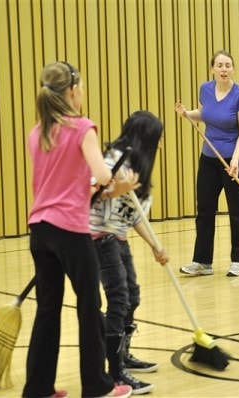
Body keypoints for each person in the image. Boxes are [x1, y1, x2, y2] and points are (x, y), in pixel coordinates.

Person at [24, 61, 132, 398]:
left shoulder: (37, 132)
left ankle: (38, 390)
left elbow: (58, 183)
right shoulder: (83, 128)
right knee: (89, 306)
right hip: (70, 229)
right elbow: (101, 176)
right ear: (72, 91)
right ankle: (97, 386)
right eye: (81, 88)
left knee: (47, 310)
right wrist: (120, 183)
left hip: (39, 229)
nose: (82, 94)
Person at [90, 111, 170, 394]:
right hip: (99, 237)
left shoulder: (138, 167)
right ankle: (116, 372)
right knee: (119, 299)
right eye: (157, 138)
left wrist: (155, 247)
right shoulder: (113, 160)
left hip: (118, 237)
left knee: (131, 296)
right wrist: (116, 188)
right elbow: (89, 191)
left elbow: (135, 216)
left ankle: (123, 356)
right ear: (146, 138)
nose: (160, 145)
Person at [175, 50, 239, 277]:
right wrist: (187, 114)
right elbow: (205, 114)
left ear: (233, 69)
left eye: (228, 65)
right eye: (219, 65)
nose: (224, 69)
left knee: (237, 210)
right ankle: (202, 261)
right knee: (205, 209)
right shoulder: (205, 89)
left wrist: (236, 158)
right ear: (212, 69)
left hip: (234, 159)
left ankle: (238, 260)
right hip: (209, 158)